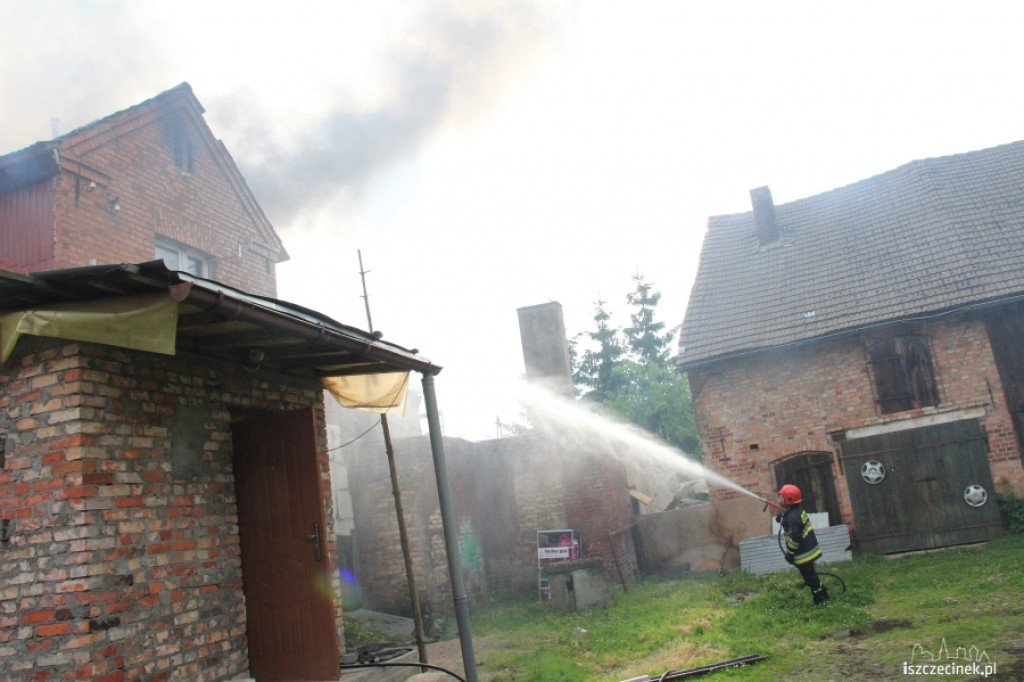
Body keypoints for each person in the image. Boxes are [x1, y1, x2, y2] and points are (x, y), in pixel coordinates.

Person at [777, 484, 828, 604]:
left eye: (781, 497)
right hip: (808, 548)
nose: (779, 500)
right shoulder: (796, 511)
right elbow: (792, 523)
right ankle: (822, 591)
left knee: (810, 577)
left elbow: (796, 538)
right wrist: (781, 518)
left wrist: (789, 553)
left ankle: (820, 597)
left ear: (789, 500)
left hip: (804, 554)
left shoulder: (792, 518)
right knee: (811, 575)